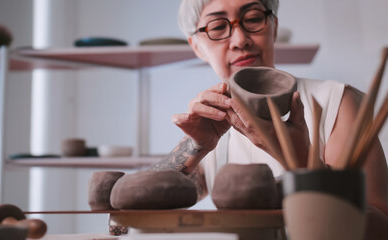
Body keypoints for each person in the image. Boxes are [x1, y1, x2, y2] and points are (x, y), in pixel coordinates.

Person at [152, 0, 387, 238]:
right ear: (197, 47)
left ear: (273, 26)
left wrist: (298, 157)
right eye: (217, 27)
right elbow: (138, 209)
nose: (239, 40)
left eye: (253, 18)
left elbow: (380, 229)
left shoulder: (336, 101)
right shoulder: (214, 123)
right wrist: (196, 145)